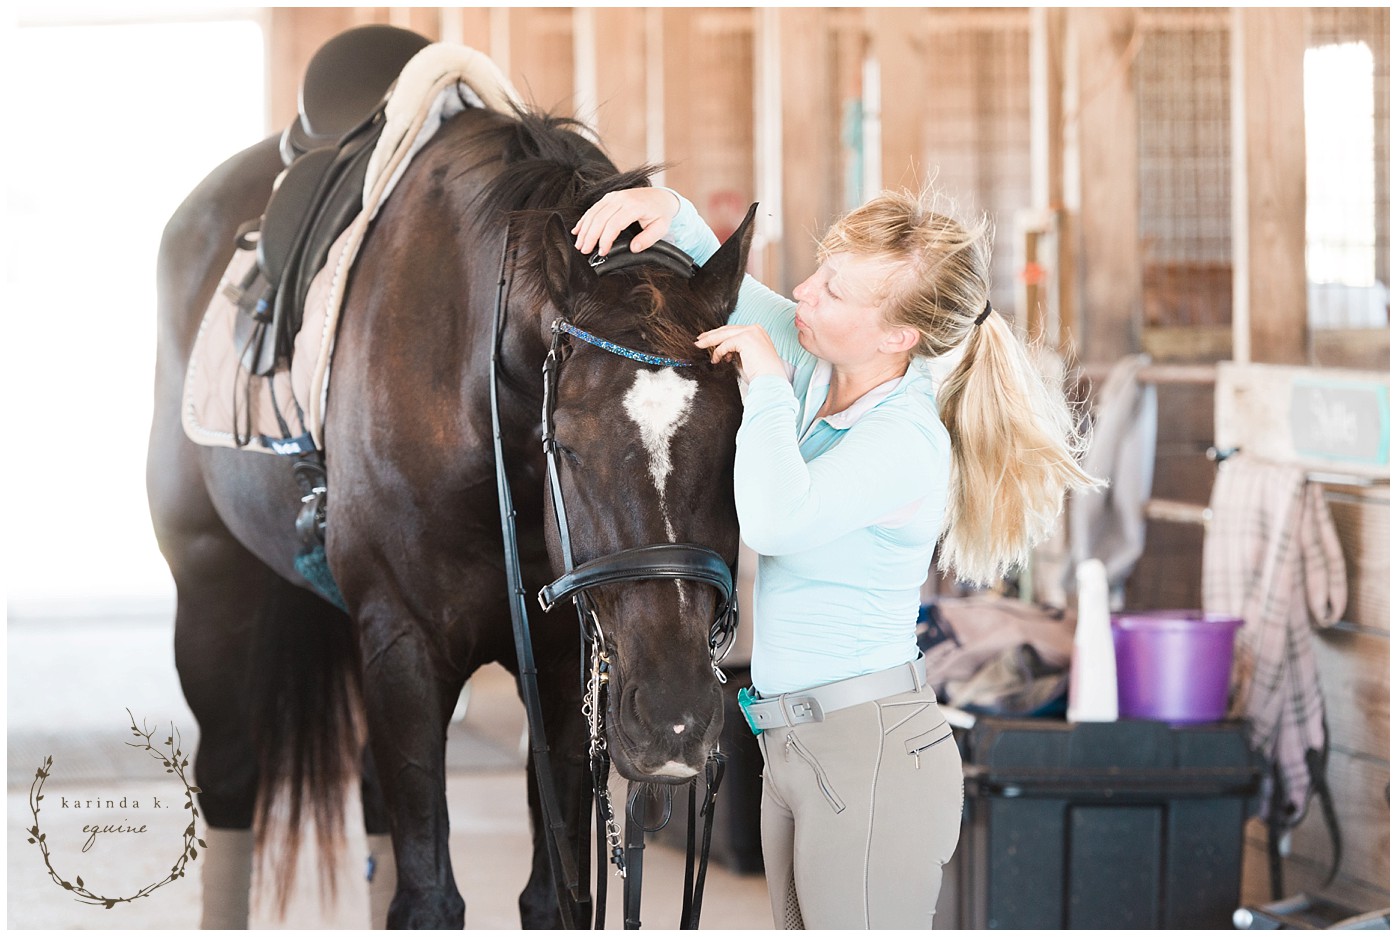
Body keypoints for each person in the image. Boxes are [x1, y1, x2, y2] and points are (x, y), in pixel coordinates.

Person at [572, 186, 1100, 929]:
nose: (803, 293)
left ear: (897, 337)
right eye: (820, 271)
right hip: (793, 741)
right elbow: (745, 299)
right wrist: (676, 216)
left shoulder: (905, 439)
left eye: (833, 289)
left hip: (868, 749)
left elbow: (776, 519)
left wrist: (762, 387)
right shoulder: (824, 367)